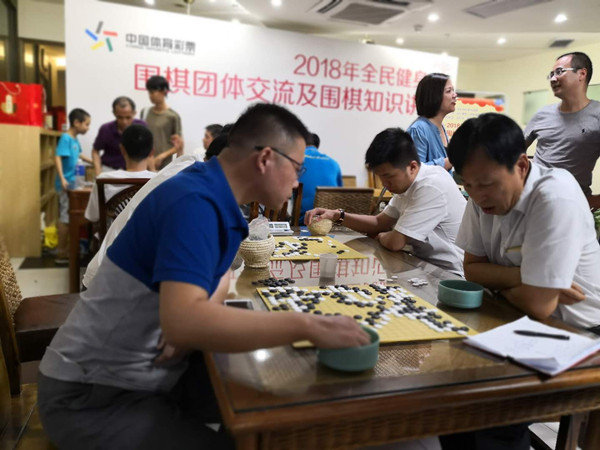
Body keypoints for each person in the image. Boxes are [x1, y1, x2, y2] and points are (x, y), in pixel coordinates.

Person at [38, 103, 369, 449]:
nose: (298, 181)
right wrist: (308, 325)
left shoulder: (215, 197)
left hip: (146, 379)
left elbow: (219, 277)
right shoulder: (194, 201)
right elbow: (183, 324)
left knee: (276, 403)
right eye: (297, 168)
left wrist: (192, 316)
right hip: (90, 397)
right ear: (265, 158)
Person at [449, 113, 600, 331]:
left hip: (581, 330)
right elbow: (472, 270)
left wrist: (497, 284)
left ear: (521, 166)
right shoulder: (480, 196)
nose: (477, 195)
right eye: (467, 184)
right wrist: (526, 278)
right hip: (516, 315)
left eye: (486, 184)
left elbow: (539, 305)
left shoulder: (555, 197)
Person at [305, 128, 466, 275]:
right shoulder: (407, 185)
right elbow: (378, 222)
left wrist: (381, 236)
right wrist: (336, 215)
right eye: (380, 177)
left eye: (388, 176)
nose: (384, 184)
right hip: (423, 265)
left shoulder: (430, 186)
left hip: (450, 274)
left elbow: (395, 242)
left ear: (412, 167)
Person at [524, 52, 600, 209]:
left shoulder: (597, 114)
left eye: (559, 72)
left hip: (572, 206)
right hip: (533, 202)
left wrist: (595, 201)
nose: (553, 79)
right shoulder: (542, 114)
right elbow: (512, 151)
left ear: (581, 74)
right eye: (551, 74)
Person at [84, 124, 155, 223]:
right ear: (151, 152)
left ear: (122, 149)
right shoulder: (160, 180)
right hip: (147, 233)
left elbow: (93, 216)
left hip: (113, 233)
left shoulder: (105, 180)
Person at [54, 108, 93, 264]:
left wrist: (94, 162)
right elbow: (58, 157)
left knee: (70, 216)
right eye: (86, 124)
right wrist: (62, 178)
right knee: (65, 217)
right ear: (77, 123)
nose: (88, 128)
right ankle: (61, 254)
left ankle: (67, 250)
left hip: (74, 182)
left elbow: (79, 155)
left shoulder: (74, 139)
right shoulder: (66, 138)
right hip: (66, 183)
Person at [406, 73, 457, 171]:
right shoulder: (418, 129)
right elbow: (416, 171)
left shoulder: (440, 127)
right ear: (434, 96)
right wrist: (450, 161)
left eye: (453, 90)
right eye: (449, 91)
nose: (455, 95)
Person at [91, 96, 146, 175]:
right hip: (110, 170)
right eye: (120, 117)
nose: (124, 122)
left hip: (136, 171)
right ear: (114, 113)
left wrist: (152, 171)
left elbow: (148, 152)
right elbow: (95, 151)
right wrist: (98, 173)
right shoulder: (105, 129)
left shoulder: (142, 127)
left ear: (134, 113)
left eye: (128, 117)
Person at [298, 132, 343, 224]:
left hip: (301, 220)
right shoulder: (334, 163)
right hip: (328, 221)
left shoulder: (296, 159)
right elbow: (340, 193)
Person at [141, 75, 184, 171]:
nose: (151, 96)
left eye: (153, 92)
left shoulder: (172, 116)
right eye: (149, 92)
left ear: (164, 91)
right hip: (146, 163)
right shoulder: (145, 113)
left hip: (166, 165)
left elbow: (178, 145)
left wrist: (162, 156)